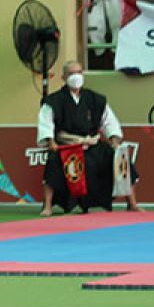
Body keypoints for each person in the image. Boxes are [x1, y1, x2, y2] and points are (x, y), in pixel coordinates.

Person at [37, 61, 139, 216]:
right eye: (71, 74)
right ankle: (48, 206)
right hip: (68, 146)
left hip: (92, 144)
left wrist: (113, 137)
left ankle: (132, 203)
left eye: (79, 72)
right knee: (53, 163)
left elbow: (109, 121)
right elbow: (46, 123)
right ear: (63, 77)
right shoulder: (54, 100)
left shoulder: (95, 99)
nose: (76, 76)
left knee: (120, 159)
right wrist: (50, 141)